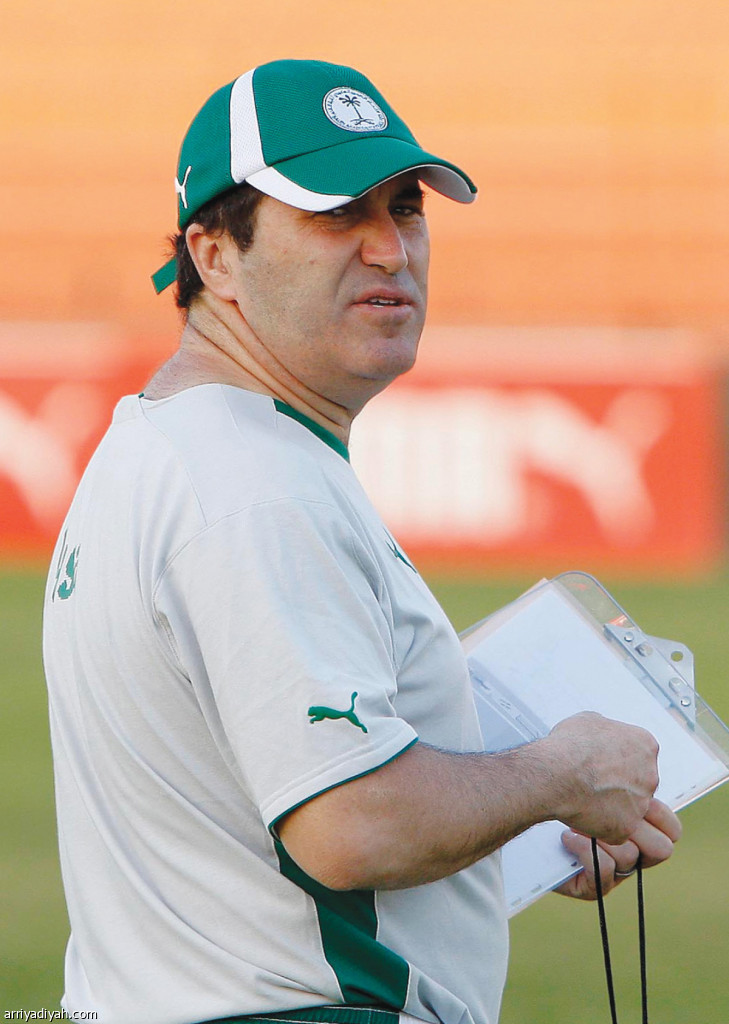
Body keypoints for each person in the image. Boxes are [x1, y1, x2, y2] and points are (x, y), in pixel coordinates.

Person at [43, 59, 681, 1024]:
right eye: (336, 213)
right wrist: (561, 773)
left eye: (406, 208)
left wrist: (521, 822)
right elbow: (350, 825)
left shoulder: (177, 446)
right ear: (213, 258)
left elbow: (262, 820)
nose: (390, 248)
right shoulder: (254, 485)